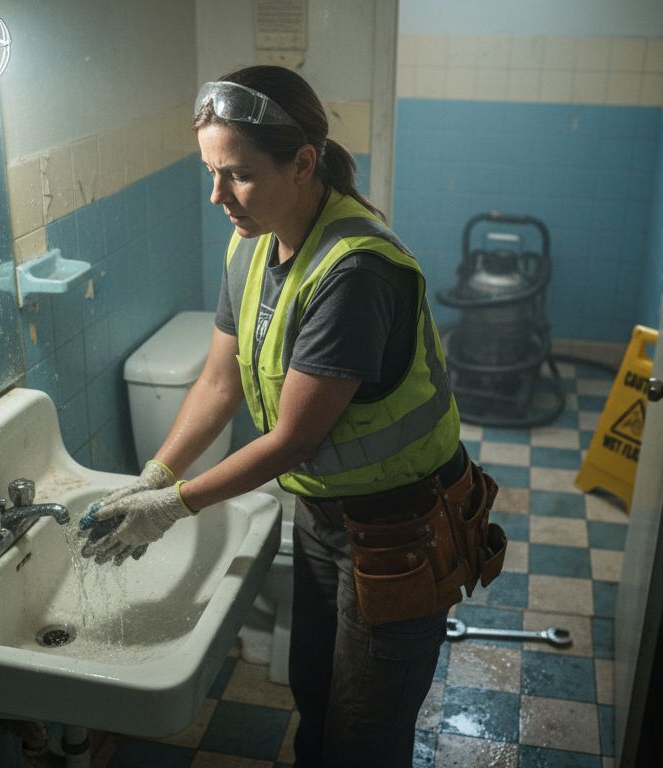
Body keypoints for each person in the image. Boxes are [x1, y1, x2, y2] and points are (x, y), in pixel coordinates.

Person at [81, 66, 505, 767]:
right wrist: (156, 473)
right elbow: (217, 381)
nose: (218, 196)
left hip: (401, 530)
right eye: (211, 173)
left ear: (304, 163)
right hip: (322, 514)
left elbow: (289, 441)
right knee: (314, 691)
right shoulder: (252, 241)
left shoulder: (354, 272)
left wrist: (174, 505)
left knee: (362, 734)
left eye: (239, 176)